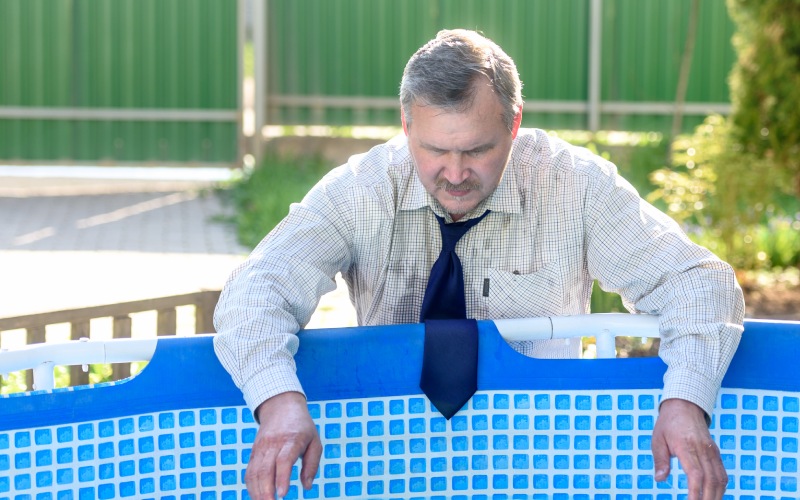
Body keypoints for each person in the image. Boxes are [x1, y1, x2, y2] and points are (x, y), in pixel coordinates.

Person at [214, 29, 745, 500]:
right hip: (390, 459)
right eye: (434, 151)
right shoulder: (362, 190)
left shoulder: (576, 185)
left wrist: (685, 401)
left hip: (543, 457)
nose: (455, 173)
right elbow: (255, 291)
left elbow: (698, 282)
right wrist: (280, 402)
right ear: (405, 126)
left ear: (514, 123)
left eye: (477, 150)